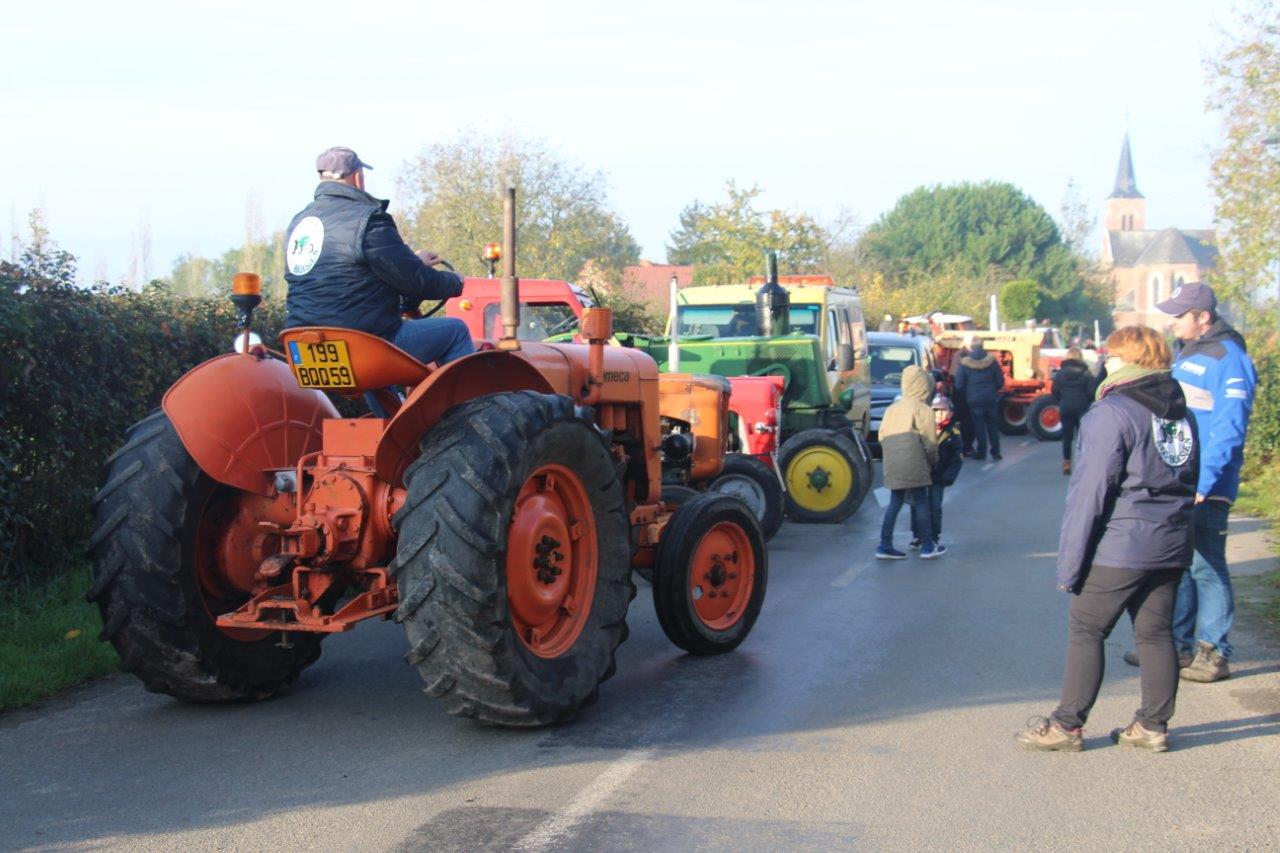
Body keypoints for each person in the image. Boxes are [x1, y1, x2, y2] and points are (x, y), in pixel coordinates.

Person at [1016, 326, 1197, 752]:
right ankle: (1153, 725)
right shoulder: (1179, 412)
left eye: (1111, 356)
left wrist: (1070, 564)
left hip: (1124, 542)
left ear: (1128, 360)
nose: (1105, 363)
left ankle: (1066, 725)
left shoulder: (1112, 412)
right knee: (1155, 633)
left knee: (1087, 627)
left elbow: (1090, 493)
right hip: (1171, 539)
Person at [1123, 282, 1256, 682]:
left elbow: (1230, 428)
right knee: (1181, 565)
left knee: (1206, 567)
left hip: (1206, 485)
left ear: (1203, 317)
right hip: (1182, 481)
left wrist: (1207, 481)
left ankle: (1214, 652)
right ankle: (1177, 648)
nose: (1172, 321)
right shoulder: (1189, 353)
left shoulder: (1228, 358)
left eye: (1179, 314)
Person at [283, 146, 474, 370]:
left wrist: (414, 261)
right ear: (358, 177)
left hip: (303, 347)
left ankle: (390, 406)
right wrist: (455, 282)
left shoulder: (299, 223)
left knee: (368, 353)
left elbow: (348, 272)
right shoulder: (368, 220)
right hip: (363, 345)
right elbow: (415, 281)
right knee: (455, 331)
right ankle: (472, 406)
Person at [876, 365, 942, 560]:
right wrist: (933, 462)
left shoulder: (892, 409)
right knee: (921, 502)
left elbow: (881, 436)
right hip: (915, 462)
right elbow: (930, 443)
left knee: (894, 503)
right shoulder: (924, 410)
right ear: (925, 387)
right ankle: (928, 546)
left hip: (893, 462)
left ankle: (884, 545)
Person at [910, 393, 963, 551]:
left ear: (950, 412)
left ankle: (934, 536)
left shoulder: (953, 434)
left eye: (942, 410)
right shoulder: (923, 430)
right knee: (917, 506)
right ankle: (918, 535)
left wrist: (948, 477)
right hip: (921, 475)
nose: (938, 414)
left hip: (938, 478)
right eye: (935, 410)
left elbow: (957, 459)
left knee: (935, 507)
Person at [952, 337, 1005, 461]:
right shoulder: (992, 361)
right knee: (992, 425)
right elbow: (1000, 381)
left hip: (974, 399)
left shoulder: (965, 363)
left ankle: (981, 452)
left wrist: (969, 393)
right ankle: (996, 452)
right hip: (990, 398)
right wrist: (992, 390)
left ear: (972, 346)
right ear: (983, 345)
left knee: (979, 425)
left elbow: (959, 384)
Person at [1050, 347, 1096, 475]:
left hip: (1066, 407)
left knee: (1067, 437)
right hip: (1082, 407)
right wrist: (1086, 400)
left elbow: (1054, 391)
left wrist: (1061, 401)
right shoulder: (1086, 373)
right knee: (1083, 437)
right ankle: (1083, 463)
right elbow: (1092, 392)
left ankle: (1066, 464)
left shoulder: (1061, 373)